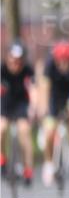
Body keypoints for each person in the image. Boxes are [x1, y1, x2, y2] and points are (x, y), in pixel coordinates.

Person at [39, 41, 69, 186]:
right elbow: (44, 89)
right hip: (54, 96)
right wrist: (43, 108)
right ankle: (48, 163)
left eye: (67, 61)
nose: (64, 64)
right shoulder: (49, 65)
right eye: (61, 61)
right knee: (49, 131)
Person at [1, 41, 37, 185]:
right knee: (1, 129)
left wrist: (33, 108)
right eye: (13, 59)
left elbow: (33, 90)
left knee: (24, 131)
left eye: (19, 60)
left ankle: (28, 169)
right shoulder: (2, 70)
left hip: (22, 104)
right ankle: (2, 159)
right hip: (5, 104)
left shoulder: (28, 71)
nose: (15, 63)